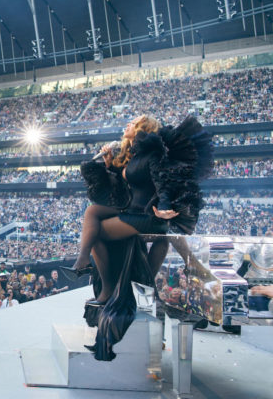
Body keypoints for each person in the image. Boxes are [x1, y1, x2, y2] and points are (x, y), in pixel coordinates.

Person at [65, 115, 212, 360]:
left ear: (143, 128)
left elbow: (162, 184)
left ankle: (94, 274)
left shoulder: (152, 155)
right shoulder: (135, 155)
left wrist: (163, 207)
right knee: (92, 214)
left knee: (96, 232)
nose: (127, 125)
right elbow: (130, 184)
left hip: (145, 216)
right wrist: (110, 165)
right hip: (131, 211)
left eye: (132, 123)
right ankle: (89, 269)